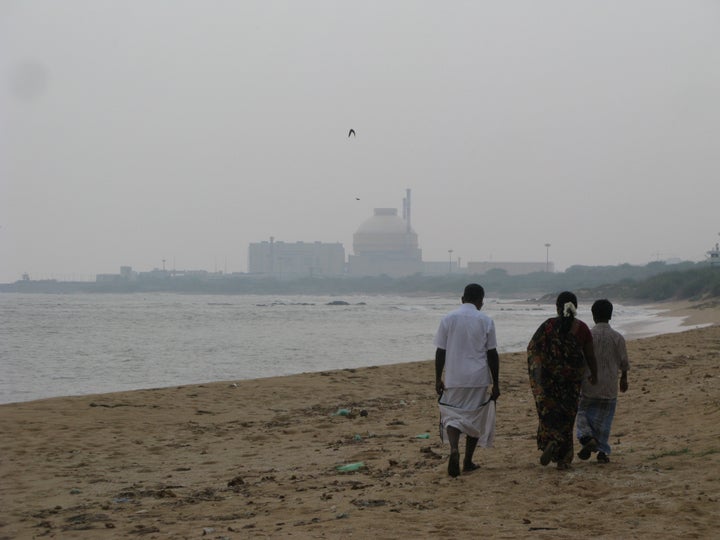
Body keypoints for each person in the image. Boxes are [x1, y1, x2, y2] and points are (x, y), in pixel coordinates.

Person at [434, 283, 500, 478]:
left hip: (455, 376)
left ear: (462, 299)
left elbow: (440, 351)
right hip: (478, 377)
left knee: (452, 415)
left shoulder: (448, 319)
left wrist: (438, 377)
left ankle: (454, 449)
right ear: (481, 301)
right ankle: (468, 461)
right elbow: (492, 353)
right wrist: (496, 382)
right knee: (475, 417)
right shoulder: (486, 320)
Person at [527, 291, 598, 470]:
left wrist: (538, 373)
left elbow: (533, 349)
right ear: (576, 307)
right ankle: (563, 459)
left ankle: (552, 441)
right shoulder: (581, 328)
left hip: (548, 380)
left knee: (550, 414)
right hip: (572, 380)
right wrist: (594, 374)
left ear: (557, 307)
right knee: (567, 416)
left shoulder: (548, 325)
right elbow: (590, 355)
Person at [576, 299, 629, 464]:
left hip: (589, 384)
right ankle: (602, 452)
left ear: (593, 315)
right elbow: (624, 362)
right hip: (609, 386)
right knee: (605, 421)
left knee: (582, 412)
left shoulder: (588, 335)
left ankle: (586, 437)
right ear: (611, 316)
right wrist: (624, 379)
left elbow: (581, 360)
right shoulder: (618, 338)